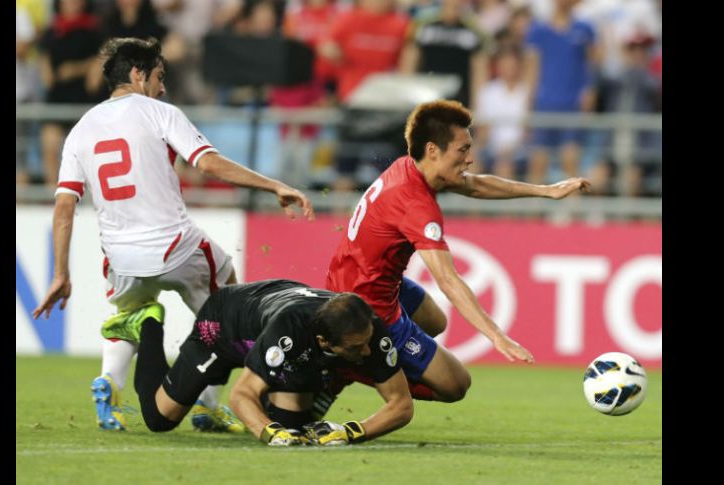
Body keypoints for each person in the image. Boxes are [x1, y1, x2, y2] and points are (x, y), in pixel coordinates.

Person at [31, 37, 314, 433]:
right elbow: (209, 164)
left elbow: (64, 207)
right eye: (159, 77)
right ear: (137, 73)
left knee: (127, 317)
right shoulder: (159, 112)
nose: (163, 87)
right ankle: (208, 403)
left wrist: (60, 274)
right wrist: (273, 185)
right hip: (175, 248)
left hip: (122, 257)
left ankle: (109, 385)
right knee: (226, 308)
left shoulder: (80, 129)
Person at [326, 99, 590, 404]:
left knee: (435, 321)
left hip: (358, 280)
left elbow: (476, 185)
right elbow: (448, 280)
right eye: (462, 150)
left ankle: (357, 361)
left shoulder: (409, 167)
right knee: (455, 385)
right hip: (367, 305)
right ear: (433, 150)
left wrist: (545, 190)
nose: (469, 159)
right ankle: (346, 366)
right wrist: (496, 335)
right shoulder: (416, 205)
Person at [126, 279, 413, 445]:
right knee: (159, 418)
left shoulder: (366, 328)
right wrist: (269, 433)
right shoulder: (290, 332)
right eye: (355, 347)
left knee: (295, 428)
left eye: (367, 341)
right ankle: (147, 322)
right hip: (224, 327)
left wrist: (350, 432)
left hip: (271, 332)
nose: (367, 352)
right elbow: (242, 395)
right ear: (325, 342)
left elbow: (401, 405)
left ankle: (310, 393)